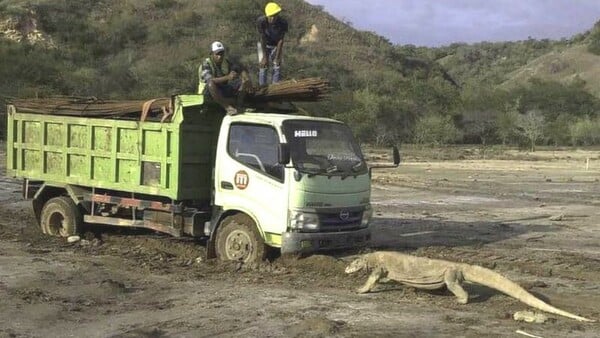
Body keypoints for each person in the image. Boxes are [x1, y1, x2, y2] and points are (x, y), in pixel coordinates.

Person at [199, 41, 252, 115]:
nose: (220, 56)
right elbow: (210, 80)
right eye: (217, 54)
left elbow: (240, 68)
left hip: (223, 88)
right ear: (211, 54)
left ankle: (239, 105)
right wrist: (228, 77)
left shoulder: (226, 62)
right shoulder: (206, 64)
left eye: (221, 53)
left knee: (243, 81)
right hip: (208, 92)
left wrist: (246, 77)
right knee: (211, 84)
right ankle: (227, 107)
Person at [256, 2, 288, 87]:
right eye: (270, 16)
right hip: (263, 44)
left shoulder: (283, 23)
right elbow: (262, 38)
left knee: (277, 66)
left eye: (275, 15)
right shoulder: (261, 21)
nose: (273, 18)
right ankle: (262, 88)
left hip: (276, 45)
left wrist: (277, 57)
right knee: (263, 66)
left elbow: (281, 40)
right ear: (266, 15)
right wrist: (265, 57)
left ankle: (275, 87)